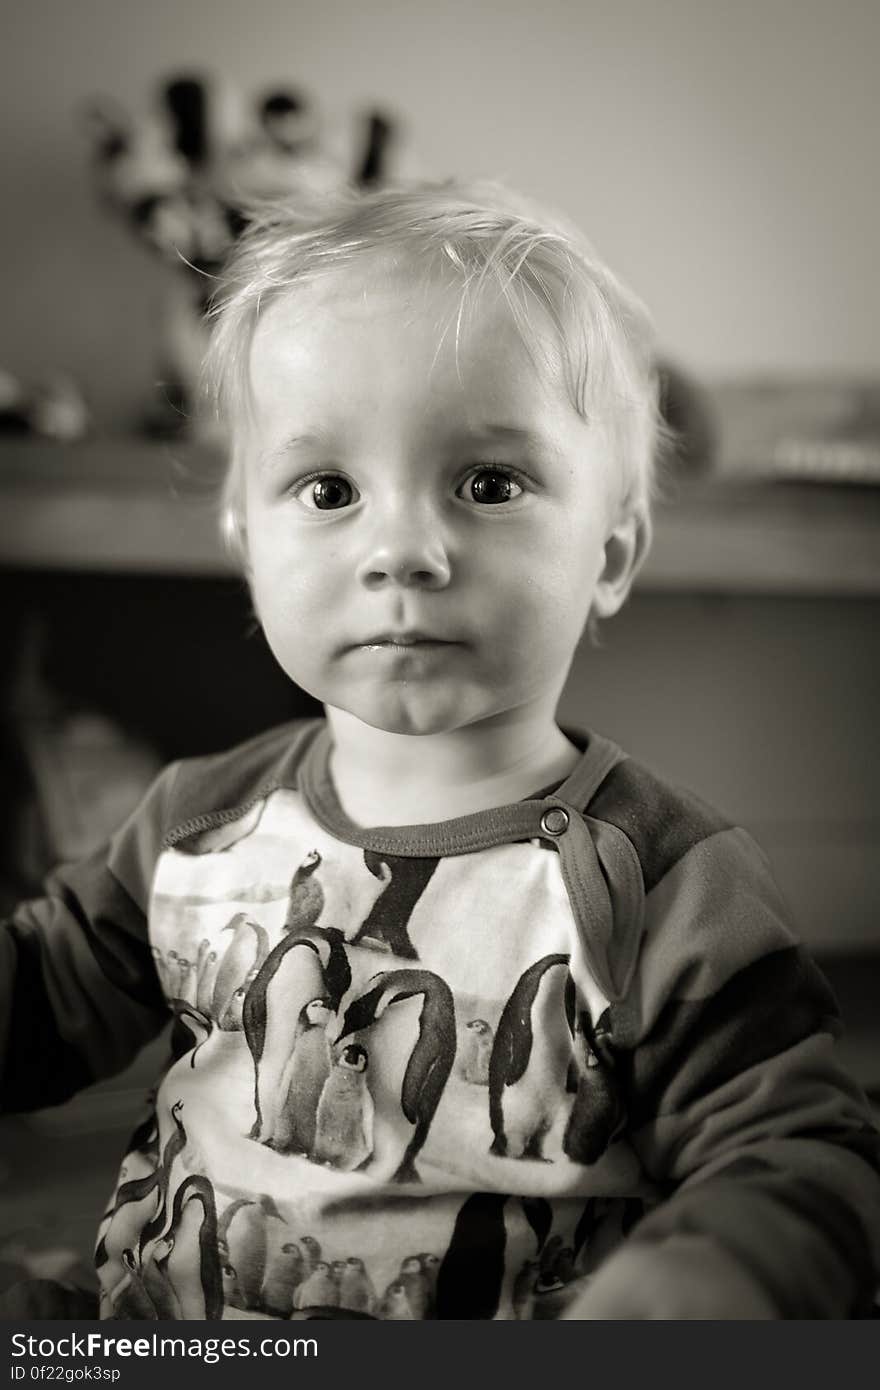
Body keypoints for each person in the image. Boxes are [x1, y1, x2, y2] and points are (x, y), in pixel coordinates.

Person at [2, 181, 878, 1321]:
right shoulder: (192, 828)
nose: (403, 548)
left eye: (488, 484)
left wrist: (717, 1269)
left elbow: (806, 1147)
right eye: (327, 490)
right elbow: (33, 1012)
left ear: (610, 552)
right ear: (246, 544)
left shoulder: (665, 880)